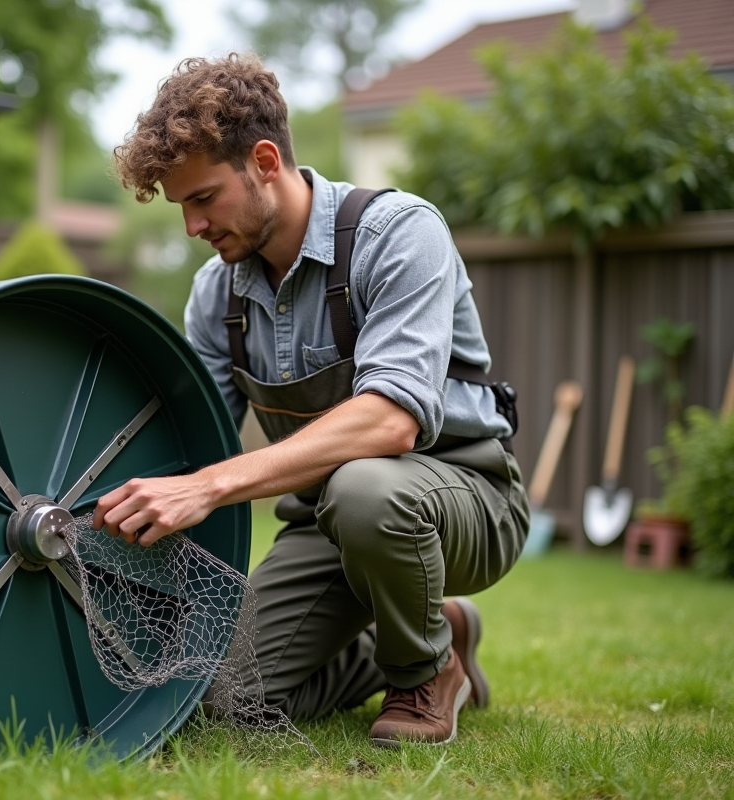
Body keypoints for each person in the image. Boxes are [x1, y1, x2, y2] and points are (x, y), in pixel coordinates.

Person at [94, 53, 530, 748]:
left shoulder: (399, 234)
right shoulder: (219, 294)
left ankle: (426, 671)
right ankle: (419, 625)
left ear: (265, 160)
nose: (192, 228)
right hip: (324, 525)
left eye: (203, 199)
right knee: (216, 696)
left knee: (366, 490)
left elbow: (391, 421)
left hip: (466, 500)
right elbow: (189, 443)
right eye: (182, 208)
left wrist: (209, 487)